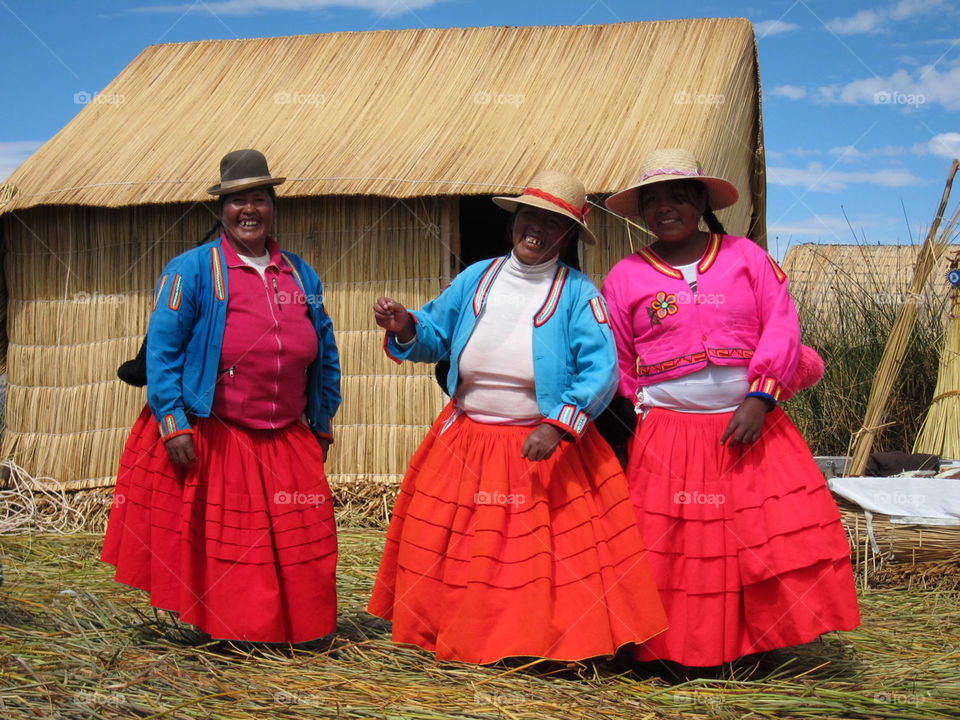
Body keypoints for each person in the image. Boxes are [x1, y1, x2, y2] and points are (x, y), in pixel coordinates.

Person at [367, 170, 668, 664]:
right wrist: (405, 325)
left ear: (567, 235)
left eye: (553, 222)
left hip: (543, 444)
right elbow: (435, 335)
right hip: (467, 440)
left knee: (534, 556)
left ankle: (535, 644)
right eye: (531, 215)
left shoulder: (578, 293)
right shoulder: (477, 278)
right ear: (515, 219)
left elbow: (602, 370)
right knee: (461, 547)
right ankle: (461, 638)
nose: (537, 228)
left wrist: (559, 424)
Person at [601, 148, 860, 669]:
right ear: (642, 212)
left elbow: (782, 325)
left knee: (755, 538)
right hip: (667, 434)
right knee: (674, 547)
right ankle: (670, 652)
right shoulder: (626, 276)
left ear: (700, 200)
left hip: (749, 426)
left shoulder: (747, 257)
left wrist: (761, 396)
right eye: (653, 201)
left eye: (678, 196)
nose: (665, 209)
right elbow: (619, 359)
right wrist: (629, 426)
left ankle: (749, 648)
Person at [102, 149, 341, 644]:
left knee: (306, 541)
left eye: (259, 199)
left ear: (273, 207)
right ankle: (234, 635)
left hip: (285, 434)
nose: (248, 210)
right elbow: (163, 352)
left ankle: (294, 630)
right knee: (232, 549)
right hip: (218, 432)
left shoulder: (300, 275)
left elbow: (326, 352)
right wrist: (173, 422)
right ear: (221, 210)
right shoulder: (191, 271)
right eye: (237, 201)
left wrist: (322, 420)